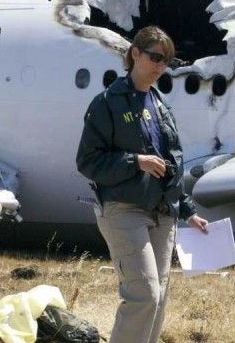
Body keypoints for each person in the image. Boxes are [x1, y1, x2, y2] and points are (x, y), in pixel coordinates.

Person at [76, 26, 208, 343]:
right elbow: (87, 162)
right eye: (155, 57)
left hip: (163, 210)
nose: (161, 66)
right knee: (144, 293)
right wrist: (135, 161)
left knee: (158, 297)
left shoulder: (159, 104)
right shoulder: (107, 102)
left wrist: (188, 210)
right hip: (124, 208)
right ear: (135, 53)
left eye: (167, 61)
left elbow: (170, 164)